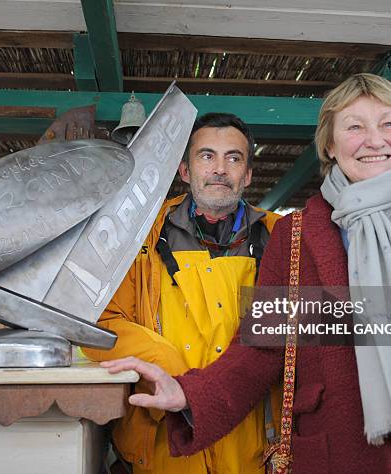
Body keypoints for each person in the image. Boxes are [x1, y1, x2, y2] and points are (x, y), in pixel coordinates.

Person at [102, 74, 391, 474]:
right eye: (355, 126)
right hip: (339, 451)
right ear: (329, 144)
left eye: (387, 123)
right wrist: (189, 393)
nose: (375, 140)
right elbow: (261, 351)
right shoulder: (296, 236)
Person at [84, 113, 281, 473]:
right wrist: (175, 375)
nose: (219, 169)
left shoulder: (281, 238)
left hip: (252, 445)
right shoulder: (140, 233)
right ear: (185, 170)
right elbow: (100, 325)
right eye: (207, 156)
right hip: (162, 441)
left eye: (233, 158)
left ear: (248, 174)